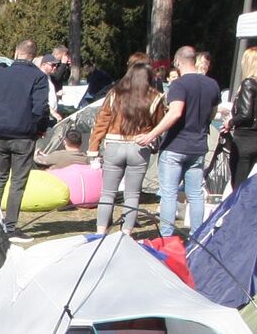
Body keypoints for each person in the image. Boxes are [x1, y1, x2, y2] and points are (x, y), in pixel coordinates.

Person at [137, 46, 222, 237]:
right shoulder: (213, 85)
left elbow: (175, 113)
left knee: (169, 194)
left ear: (177, 62)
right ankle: (198, 235)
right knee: (195, 194)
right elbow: (213, 113)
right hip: (198, 146)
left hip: (176, 145)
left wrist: (151, 135)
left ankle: (166, 236)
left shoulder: (179, 85)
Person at [0, 39, 51, 233]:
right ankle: (9, 225)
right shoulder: (38, 77)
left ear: (16, 53)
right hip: (24, 135)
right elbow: (40, 108)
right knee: (18, 182)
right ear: (33, 56)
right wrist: (38, 128)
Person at [90, 63, 166, 237]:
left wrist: (94, 149)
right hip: (139, 147)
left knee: (107, 193)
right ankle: (126, 234)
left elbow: (101, 122)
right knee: (132, 195)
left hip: (114, 145)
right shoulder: (156, 97)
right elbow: (160, 124)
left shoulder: (114, 94)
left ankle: (100, 233)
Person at [226, 46, 257, 190]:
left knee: (238, 184)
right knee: (243, 182)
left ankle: (239, 211)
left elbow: (245, 114)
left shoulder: (248, 83)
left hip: (245, 140)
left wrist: (230, 121)